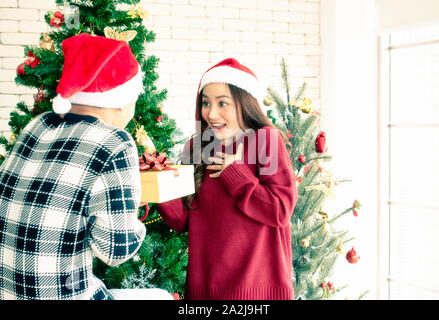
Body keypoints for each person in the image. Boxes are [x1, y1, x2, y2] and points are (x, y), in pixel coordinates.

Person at [0, 33, 171, 300]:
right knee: (159, 297)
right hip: (62, 295)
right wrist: (132, 210)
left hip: (7, 290)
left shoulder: (38, 125)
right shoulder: (115, 142)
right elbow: (116, 250)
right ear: (122, 102)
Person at [157, 58, 298, 300]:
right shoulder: (196, 146)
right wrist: (159, 184)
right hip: (205, 292)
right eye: (205, 103)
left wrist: (236, 174)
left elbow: (280, 210)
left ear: (245, 103)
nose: (211, 113)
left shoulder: (266, 140)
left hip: (257, 293)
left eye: (223, 103)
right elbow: (183, 220)